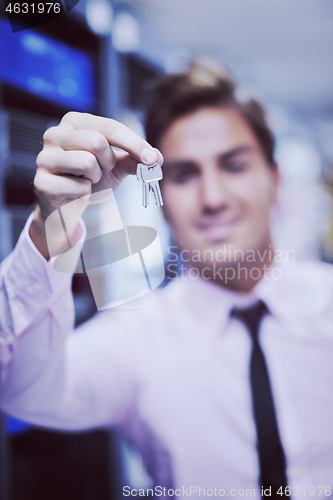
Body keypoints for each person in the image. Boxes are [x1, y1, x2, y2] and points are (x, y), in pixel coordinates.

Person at [1, 59, 333, 499]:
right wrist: (51, 228)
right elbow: (21, 391)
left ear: (274, 180)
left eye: (233, 165)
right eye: (184, 175)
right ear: (160, 198)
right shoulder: (136, 338)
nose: (212, 198)